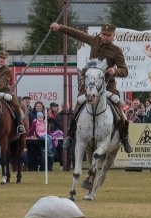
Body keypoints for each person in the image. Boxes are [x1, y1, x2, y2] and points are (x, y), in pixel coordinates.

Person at [49, 21, 132, 153]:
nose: (105, 37)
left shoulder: (116, 51)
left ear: (113, 36)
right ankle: (70, 136)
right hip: (89, 85)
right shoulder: (93, 40)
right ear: (101, 33)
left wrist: (115, 71)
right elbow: (76, 34)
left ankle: (124, 137)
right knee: (78, 106)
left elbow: (125, 70)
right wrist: (60, 27)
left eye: (108, 35)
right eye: (104, 34)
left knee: (118, 108)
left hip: (107, 85)